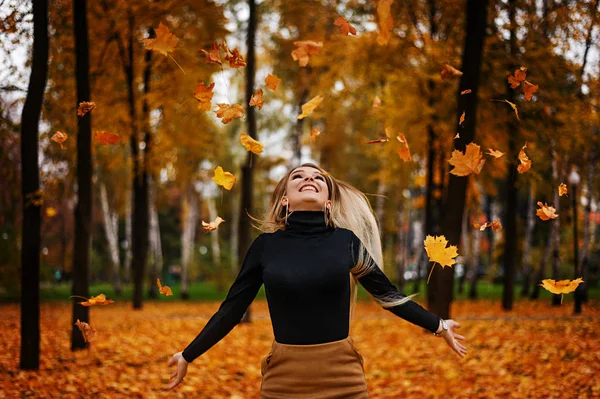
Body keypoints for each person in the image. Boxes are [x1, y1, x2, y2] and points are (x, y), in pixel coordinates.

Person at [167, 163, 466, 397]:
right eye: (298, 176)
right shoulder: (265, 246)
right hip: (283, 380)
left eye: (318, 178)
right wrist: (188, 354)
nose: (309, 179)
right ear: (285, 199)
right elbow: (231, 310)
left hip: (343, 378)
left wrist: (438, 325)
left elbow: (387, 295)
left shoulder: (347, 242)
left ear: (328, 202)